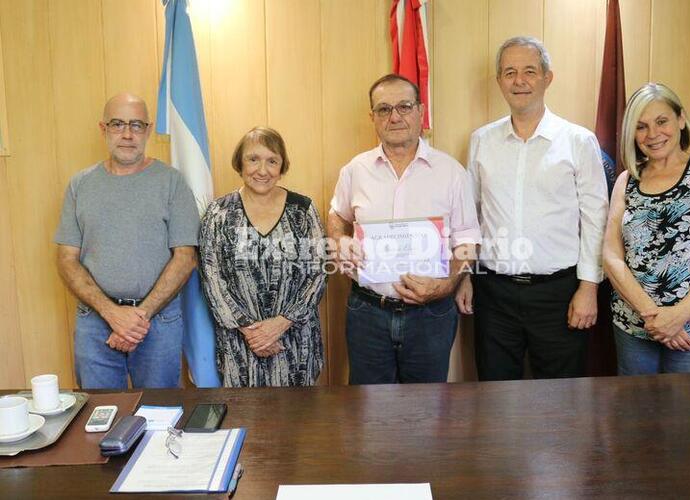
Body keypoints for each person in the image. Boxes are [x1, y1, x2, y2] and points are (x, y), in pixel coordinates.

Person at [457, 36, 609, 380]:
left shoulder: (578, 141)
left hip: (559, 293)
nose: (519, 81)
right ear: (499, 81)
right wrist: (466, 275)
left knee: (561, 399)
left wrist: (588, 288)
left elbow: (595, 219)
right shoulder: (482, 140)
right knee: (496, 394)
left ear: (547, 78)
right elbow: (471, 215)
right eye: (509, 72)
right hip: (494, 293)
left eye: (529, 71)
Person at [328, 74, 481, 385]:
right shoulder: (355, 170)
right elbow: (335, 215)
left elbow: (468, 241)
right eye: (383, 109)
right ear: (372, 117)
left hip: (431, 316)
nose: (394, 116)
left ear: (420, 111)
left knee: (426, 412)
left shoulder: (451, 172)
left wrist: (447, 285)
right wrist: (339, 240)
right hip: (368, 312)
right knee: (368, 412)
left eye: (404, 106)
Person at [55, 93, 199, 389]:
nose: (128, 134)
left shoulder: (172, 182)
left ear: (148, 130)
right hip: (95, 324)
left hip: (158, 324)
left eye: (136, 125)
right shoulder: (80, 185)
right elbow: (66, 259)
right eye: (117, 124)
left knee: (159, 416)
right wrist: (111, 313)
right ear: (103, 129)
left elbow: (186, 258)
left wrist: (136, 318)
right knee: (98, 418)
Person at [603, 83, 690, 374]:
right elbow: (612, 256)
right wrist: (653, 317)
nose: (653, 135)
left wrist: (679, 316)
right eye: (641, 127)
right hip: (635, 329)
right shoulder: (626, 181)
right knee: (636, 417)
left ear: (681, 119)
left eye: (661, 121)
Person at [199, 127, 326, 387]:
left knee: (300, 422)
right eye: (253, 159)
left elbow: (319, 272)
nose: (262, 170)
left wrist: (280, 324)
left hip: (295, 342)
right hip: (240, 345)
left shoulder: (303, 210)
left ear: (282, 166)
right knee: (245, 419)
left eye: (272, 161)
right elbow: (211, 278)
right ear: (240, 162)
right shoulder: (218, 213)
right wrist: (252, 332)